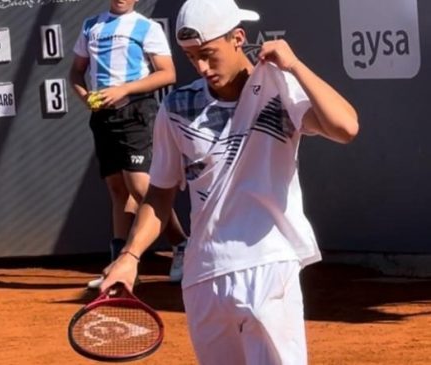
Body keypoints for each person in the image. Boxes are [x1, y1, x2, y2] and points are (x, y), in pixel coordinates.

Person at [100, 0, 359, 363]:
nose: (201, 67)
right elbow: (159, 195)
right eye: (191, 57)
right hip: (202, 276)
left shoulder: (279, 88)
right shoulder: (175, 108)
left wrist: (295, 65)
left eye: (208, 54)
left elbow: (345, 127)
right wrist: (130, 256)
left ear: (238, 38)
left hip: (269, 267)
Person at [69, 0, 189, 289]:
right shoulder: (90, 26)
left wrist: (124, 89)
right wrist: (86, 97)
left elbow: (167, 73)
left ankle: (182, 246)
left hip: (136, 112)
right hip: (103, 117)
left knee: (142, 188)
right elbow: (75, 72)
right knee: (117, 190)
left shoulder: (146, 28)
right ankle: (118, 265)